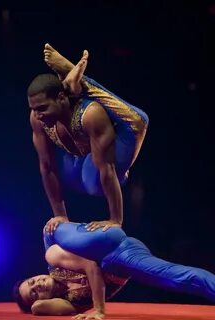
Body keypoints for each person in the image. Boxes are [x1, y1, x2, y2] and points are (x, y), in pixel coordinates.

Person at [27, 44, 149, 234]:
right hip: (84, 152)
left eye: (42, 108)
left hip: (125, 133)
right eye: (33, 108)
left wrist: (115, 220)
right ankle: (74, 85)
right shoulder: (37, 118)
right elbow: (46, 166)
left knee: (137, 120)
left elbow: (106, 168)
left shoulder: (91, 114)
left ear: (60, 98)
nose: (37, 114)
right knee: (90, 184)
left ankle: (81, 82)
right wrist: (61, 216)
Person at [14, 222, 215, 319]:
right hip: (123, 259)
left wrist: (99, 310)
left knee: (50, 236)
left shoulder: (54, 260)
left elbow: (91, 266)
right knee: (178, 278)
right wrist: (34, 304)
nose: (38, 284)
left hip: (112, 247)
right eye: (34, 293)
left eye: (32, 281)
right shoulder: (69, 302)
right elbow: (38, 308)